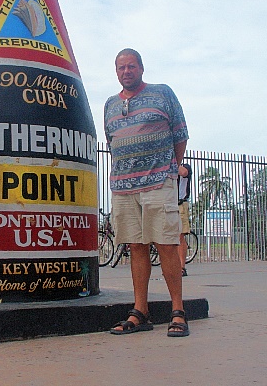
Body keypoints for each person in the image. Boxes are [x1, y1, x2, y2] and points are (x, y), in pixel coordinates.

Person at [104, 48, 189, 337]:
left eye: (131, 66)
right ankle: (141, 311)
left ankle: (178, 311)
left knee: (166, 244)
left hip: (158, 183)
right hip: (124, 187)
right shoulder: (110, 105)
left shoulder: (162, 93)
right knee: (135, 247)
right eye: (121, 68)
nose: (126, 71)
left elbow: (180, 133)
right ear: (116, 72)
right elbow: (111, 141)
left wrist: (169, 169)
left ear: (141, 68)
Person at [178, 162, 192, 277]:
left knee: (180, 236)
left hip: (180, 205)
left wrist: (171, 162)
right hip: (166, 203)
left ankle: (182, 267)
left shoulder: (185, 167)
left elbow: (183, 173)